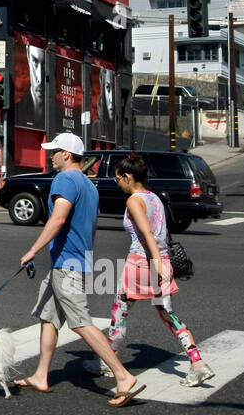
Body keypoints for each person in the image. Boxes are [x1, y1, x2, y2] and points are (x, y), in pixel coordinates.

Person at [13, 132, 145, 407]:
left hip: (66, 264)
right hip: (75, 261)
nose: (50, 155)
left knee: (80, 322)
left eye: (54, 151)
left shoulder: (65, 179)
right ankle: (41, 375)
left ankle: (122, 375)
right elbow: (92, 226)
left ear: (67, 155)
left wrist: (33, 250)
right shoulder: (89, 185)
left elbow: (58, 219)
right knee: (48, 316)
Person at [86, 152, 215, 386]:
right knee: (169, 315)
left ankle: (107, 362)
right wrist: (161, 262)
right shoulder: (154, 198)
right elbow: (162, 233)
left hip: (141, 265)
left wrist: (155, 262)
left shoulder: (134, 200)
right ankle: (197, 362)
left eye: (118, 178)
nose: (117, 183)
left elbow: (146, 232)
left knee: (120, 313)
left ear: (128, 177)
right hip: (161, 262)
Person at [15, 39, 44, 130]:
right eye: (35, 61)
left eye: (45, 64)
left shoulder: (59, 115)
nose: (40, 78)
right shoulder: (17, 111)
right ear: (27, 55)